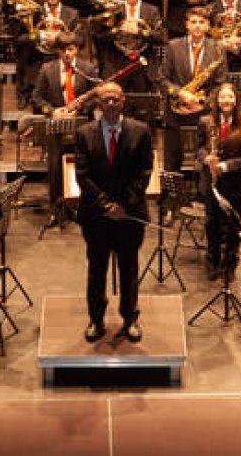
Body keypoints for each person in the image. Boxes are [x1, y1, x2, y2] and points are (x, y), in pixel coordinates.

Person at [74, 83, 154, 343]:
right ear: (98, 104)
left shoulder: (140, 131)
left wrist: (124, 206)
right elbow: (82, 175)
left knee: (129, 268)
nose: (110, 104)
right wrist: (106, 205)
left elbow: (144, 172)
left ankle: (130, 318)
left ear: (123, 102)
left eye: (115, 100)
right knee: (97, 269)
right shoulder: (84, 133)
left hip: (129, 215)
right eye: (105, 100)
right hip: (97, 216)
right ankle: (96, 320)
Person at [33, 33, 98, 214]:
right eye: (63, 50)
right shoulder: (47, 69)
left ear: (76, 49)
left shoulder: (88, 68)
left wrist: (80, 110)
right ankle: (56, 207)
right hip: (57, 125)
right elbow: (37, 98)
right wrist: (53, 111)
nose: (67, 54)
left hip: (82, 125)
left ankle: (80, 205)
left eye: (70, 49)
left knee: (82, 166)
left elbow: (95, 98)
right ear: (57, 51)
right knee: (55, 167)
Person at [161, 7, 228, 173]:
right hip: (176, 113)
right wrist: (180, 93)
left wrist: (203, 102)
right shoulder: (172, 46)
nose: (197, 26)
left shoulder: (218, 49)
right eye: (193, 22)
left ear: (208, 26)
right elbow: (162, 79)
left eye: (201, 22)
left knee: (202, 160)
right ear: (187, 25)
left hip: (204, 112)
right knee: (173, 160)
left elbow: (221, 83)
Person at [196, 84, 241, 281]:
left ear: (236, 100)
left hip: (233, 183)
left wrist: (225, 166)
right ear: (216, 100)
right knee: (211, 223)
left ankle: (230, 263)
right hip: (211, 181)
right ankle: (212, 261)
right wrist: (206, 159)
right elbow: (199, 149)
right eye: (222, 97)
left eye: (230, 97)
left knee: (233, 223)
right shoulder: (205, 121)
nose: (226, 101)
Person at [16, 0, 79, 107]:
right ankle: (26, 95)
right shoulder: (32, 12)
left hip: (61, 59)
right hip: (37, 60)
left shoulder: (72, 13)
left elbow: (80, 40)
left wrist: (61, 36)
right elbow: (20, 39)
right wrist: (40, 35)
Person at [94, 0, 163, 92]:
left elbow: (161, 37)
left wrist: (139, 32)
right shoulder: (113, 10)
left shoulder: (152, 11)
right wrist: (118, 30)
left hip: (143, 62)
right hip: (117, 61)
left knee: (142, 102)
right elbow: (100, 37)